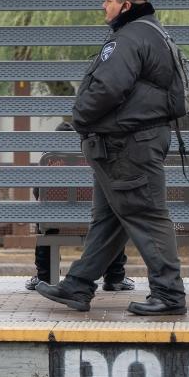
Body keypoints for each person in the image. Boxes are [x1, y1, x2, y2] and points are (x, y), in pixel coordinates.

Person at [35, 0, 188, 316]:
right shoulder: (153, 33)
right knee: (110, 219)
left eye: (107, 0)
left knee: (147, 215)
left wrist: (80, 117)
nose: (102, 6)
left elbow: (107, 88)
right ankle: (77, 286)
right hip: (133, 142)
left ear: (126, 5)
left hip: (127, 146)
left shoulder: (129, 38)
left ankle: (169, 295)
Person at [25, 122, 133, 292]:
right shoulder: (94, 159)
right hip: (94, 220)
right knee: (113, 220)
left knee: (45, 222)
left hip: (57, 223)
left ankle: (44, 277)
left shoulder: (48, 161)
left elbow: (38, 193)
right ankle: (115, 277)